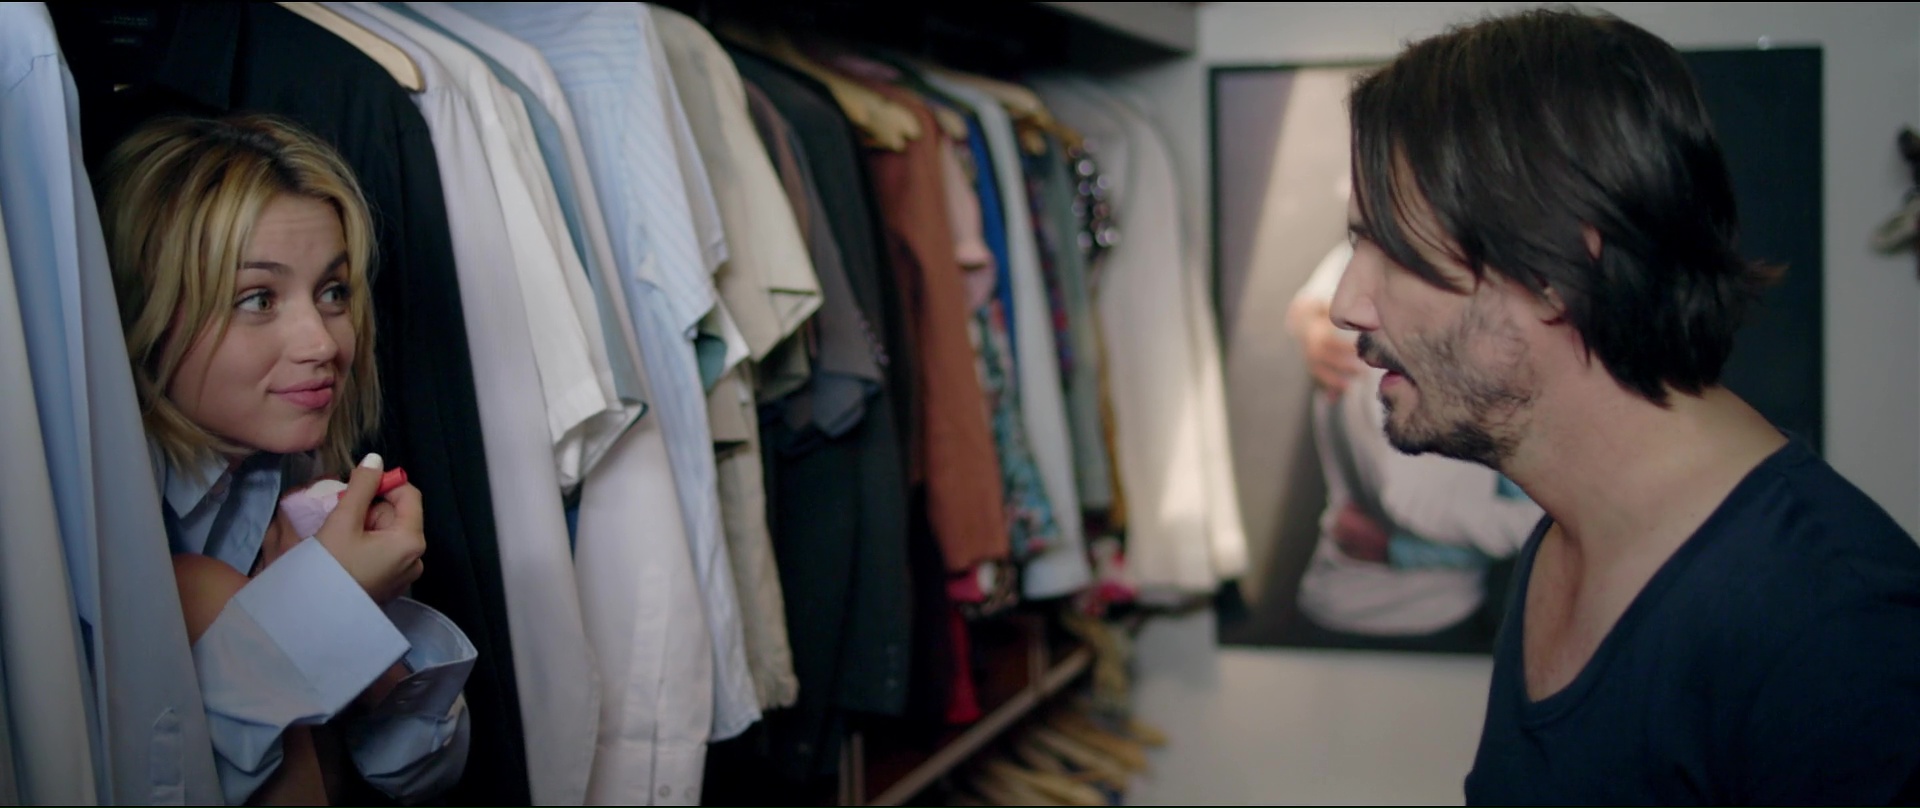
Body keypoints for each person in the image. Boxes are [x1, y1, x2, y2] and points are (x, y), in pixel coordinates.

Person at [1332, 8, 1920, 803]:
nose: (1347, 304)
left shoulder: (1837, 632)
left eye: (1394, 250)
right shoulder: (1566, 539)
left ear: (1558, 270)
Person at [99, 115, 475, 805]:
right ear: (147, 310)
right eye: (258, 299)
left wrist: (357, 616)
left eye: (333, 293)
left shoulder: (291, 482)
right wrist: (324, 609)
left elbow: (418, 771)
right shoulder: (95, 537)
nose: (322, 343)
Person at [1286, 242, 1542, 652]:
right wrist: (1311, 325)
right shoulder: (1399, 301)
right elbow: (1407, 499)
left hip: (1416, 605)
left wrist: (1402, 551)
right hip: (1393, 609)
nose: (1346, 305)